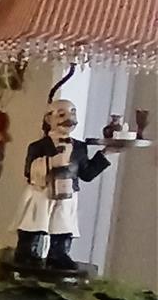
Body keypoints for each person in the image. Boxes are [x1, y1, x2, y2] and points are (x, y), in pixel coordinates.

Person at [12, 99, 111, 272]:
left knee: (63, 225)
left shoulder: (80, 147)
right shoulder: (38, 146)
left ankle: (58, 255)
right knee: (35, 223)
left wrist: (106, 153)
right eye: (62, 114)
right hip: (42, 192)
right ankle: (27, 253)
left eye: (73, 112)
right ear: (48, 119)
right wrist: (50, 163)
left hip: (67, 194)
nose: (69, 118)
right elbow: (29, 172)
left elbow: (86, 174)